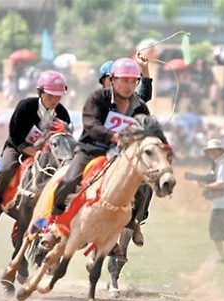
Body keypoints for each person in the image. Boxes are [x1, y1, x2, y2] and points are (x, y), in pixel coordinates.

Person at [41, 57, 152, 249]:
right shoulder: (97, 98)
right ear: (111, 80)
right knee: (69, 181)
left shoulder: (138, 105)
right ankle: (53, 224)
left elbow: (144, 125)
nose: (127, 85)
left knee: (143, 186)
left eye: (132, 80)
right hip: (92, 150)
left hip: (120, 156)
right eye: (122, 80)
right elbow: (91, 124)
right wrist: (114, 137)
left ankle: (131, 224)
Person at [0, 70, 71, 227]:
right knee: (5, 168)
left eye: (57, 96)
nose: (54, 100)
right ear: (40, 92)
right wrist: (32, 151)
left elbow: (64, 139)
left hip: (47, 156)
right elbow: (15, 134)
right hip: (17, 148)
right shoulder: (25, 106)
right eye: (50, 95)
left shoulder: (62, 113)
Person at [97, 54, 154, 247]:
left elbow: (145, 94)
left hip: (128, 153)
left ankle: (136, 220)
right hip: (104, 151)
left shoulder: (133, 99)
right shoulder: (99, 101)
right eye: (115, 79)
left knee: (147, 180)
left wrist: (144, 70)